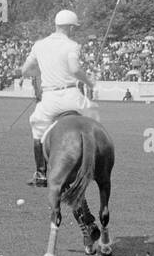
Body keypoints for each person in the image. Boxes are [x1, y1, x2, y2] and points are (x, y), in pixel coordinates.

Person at [20, 10, 97, 187]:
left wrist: (42, 71)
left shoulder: (39, 45)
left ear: (56, 25)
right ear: (70, 27)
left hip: (50, 99)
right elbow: (75, 69)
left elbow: (25, 71)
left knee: (38, 128)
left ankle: (41, 174)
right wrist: (89, 82)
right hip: (71, 96)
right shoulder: (72, 45)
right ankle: (93, 167)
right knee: (94, 119)